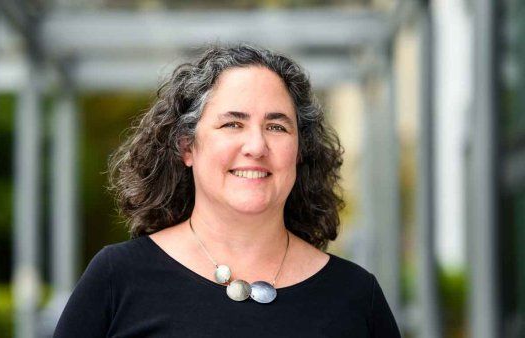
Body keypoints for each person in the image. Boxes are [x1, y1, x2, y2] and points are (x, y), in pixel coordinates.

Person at [54, 44, 401, 337]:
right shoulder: (118, 279)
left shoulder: (356, 296)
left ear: (300, 151)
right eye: (232, 123)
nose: (256, 145)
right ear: (187, 146)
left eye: (276, 126)